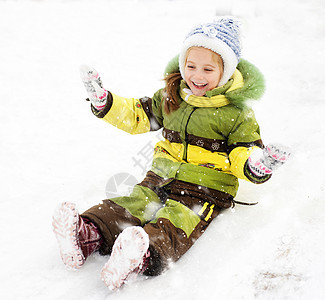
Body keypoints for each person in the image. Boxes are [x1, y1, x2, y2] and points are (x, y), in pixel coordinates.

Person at [52, 17, 291, 291]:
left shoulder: (236, 113)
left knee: (178, 221)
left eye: (208, 69)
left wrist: (257, 165)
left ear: (226, 72)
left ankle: (138, 256)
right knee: (132, 203)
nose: (197, 76)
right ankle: (88, 234)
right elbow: (139, 116)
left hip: (205, 190)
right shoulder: (172, 95)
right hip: (161, 177)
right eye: (190, 66)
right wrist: (106, 103)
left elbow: (243, 152)